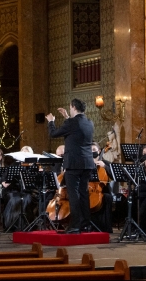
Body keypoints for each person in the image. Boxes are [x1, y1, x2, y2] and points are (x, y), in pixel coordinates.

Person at [46, 98, 94, 234]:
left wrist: (51, 121)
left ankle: (75, 225)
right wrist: (67, 117)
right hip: (87, 163)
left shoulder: (72, 123)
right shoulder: (89, 122)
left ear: (73, 107)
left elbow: (53, 133)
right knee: (83, 194)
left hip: (74, 164)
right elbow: (75, 130)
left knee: (73, 194)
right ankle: (86, 224)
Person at [90, 142, 113, 233]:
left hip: (103, 190)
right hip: (89, 189)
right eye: (90, 150)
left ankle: (105, 228)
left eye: (94, 150)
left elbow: (113, 176)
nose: (92, 152)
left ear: (99, 151)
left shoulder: (106, 163)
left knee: (107, 198)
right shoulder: (86, 163)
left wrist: (105, 167)